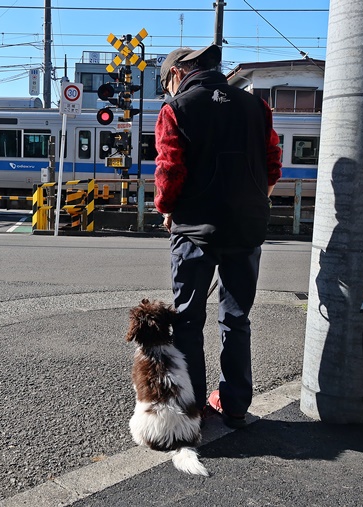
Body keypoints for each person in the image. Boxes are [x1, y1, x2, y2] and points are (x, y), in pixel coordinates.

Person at [154, 44, 282, 429]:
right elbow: (273, 165)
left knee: (188, 320)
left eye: (166, 83)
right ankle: (235, 404)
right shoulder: (256, 107)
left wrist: (166, 210)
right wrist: (253, 201)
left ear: (177, 73)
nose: (168, 91)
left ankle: (192, 408)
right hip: (246, 227)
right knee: (237, 318)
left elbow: (169, 171)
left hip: (195, 230)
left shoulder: (177, 109)